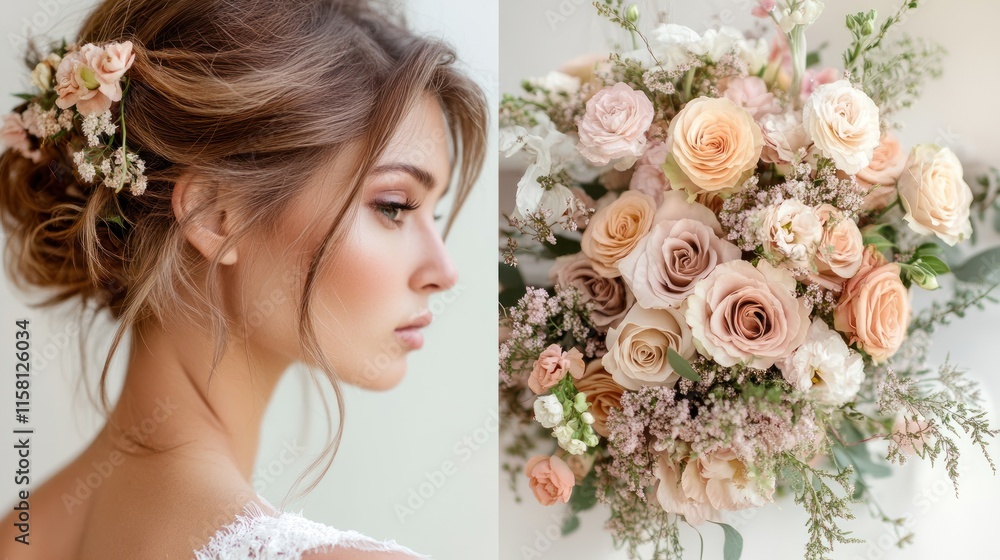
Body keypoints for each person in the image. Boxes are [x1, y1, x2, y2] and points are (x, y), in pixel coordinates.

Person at [0, 0, 487, 557]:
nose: (444, 272)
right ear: (214, 215)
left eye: (434, 214)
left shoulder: (20, 534)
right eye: (394, 207)